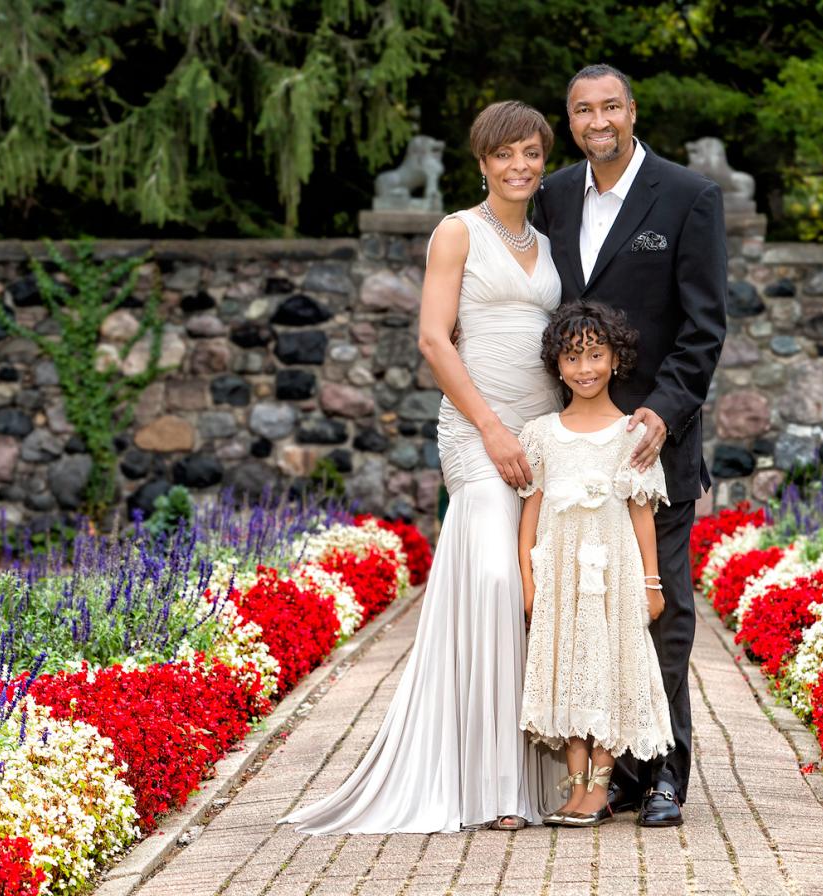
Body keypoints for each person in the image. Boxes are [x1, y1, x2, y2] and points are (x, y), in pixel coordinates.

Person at [280, 100, 562, 834]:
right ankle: (488, 784)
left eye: (531, 152)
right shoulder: (456, 232)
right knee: (495, 580)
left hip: (542, 434)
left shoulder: (551, 239)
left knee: (533, 590)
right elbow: (436, 343)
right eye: (505, 154)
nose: (520, 165)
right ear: (481, 162)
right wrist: (493, 430)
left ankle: (532, 773)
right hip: (478, 433)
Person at [532, 64, 728, 827]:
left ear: (633, 111)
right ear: (571, 119)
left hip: (654, 447)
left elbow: (703, 326)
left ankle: (667, 772)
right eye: (583, 109)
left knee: (663, 611)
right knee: (589, 618)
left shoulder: (688, 197)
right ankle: (614, 770)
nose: (598, 120)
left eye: (610, 105)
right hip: (577, 454)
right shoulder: (550, 196)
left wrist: (661, 413)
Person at [517, 302, 673, 828]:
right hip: (560, 577)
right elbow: (530, 513)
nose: (585, 368)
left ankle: (599, 791)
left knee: (607, 672)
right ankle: (575, 788)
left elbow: (642, 514)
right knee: (568, 674)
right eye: (572, 357)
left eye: (595, 355)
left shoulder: (632, 433)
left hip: (613, 576)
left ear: (615, 359)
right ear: (557, 366)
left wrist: (652, 584)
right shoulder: (540, 434)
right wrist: (527, 578)